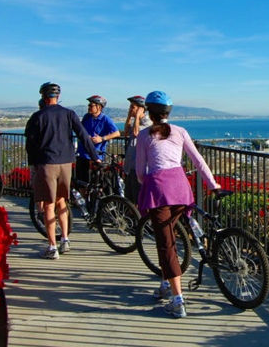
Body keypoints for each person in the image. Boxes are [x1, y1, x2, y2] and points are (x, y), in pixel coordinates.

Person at [135, 91, 220, 318]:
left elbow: (139, 172)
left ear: (149, 113)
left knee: (166, 244)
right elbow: (198, 160)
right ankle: (165, 284)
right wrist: (213, 185)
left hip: (158, 191)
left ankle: (177, 299)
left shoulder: (144, 136)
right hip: (181, 189)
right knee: (170, 236)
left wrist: (150, 182)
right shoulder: (181, 131)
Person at [25, 82, 100, 259]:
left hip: (46, 163)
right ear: (57, 97)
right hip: (66, 162)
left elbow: (30, 144)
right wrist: (95, 156)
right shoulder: (69, 114)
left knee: (48, 205)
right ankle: (65, 239)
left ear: (43, 97)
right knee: (62, 202)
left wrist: (33, 165)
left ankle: (52, 247)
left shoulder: (37, 116)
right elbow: (83, 135)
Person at [75, 95, 120, 184]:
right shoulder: (86, 117)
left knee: (95, 182)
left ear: (99, 107)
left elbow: (117, 133)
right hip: (82, 153)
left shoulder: (105, 119)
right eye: (89, 105)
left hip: (96, 154)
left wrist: (102, 139)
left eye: (91, 105)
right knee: (81, 181)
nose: (89, 107)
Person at [123, 95, 149, 204]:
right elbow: (126, 132)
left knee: (138, 198)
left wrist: (137, 116)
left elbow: (136, 133)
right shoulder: (136, 122)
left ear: (141, 108)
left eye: (132, 107)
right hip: (130, 165)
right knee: (129, 197)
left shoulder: (147, 122)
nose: (130, 109)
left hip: (138, 166)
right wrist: (130, 116)